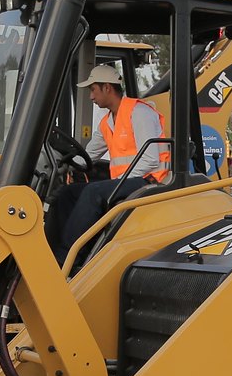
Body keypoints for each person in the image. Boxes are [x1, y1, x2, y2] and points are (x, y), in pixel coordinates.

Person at [46, 64, 171, 259]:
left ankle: (67, 258)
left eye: (93, 90)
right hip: (128, 180)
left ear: (107, 88)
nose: (91, 97)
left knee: (93, 192)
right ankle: (53, 249)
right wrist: (62, 162)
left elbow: (150, 159)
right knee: (67, 193)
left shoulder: (139, 113)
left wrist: (118, 181)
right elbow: (88, 155)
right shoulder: (107, 122)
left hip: (150, 180)